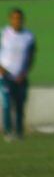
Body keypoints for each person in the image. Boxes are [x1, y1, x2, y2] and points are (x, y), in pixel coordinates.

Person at [1, 8, 35, 141]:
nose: (17, 21)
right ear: (10, 20)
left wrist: (24, 72)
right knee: (7, 105)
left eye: (19, 19)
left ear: (23, 20)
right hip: (5, 76)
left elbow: (31, 57)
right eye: (14, 18)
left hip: (21, 77)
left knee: (20, 106)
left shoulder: (29, 36)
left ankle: (19, 132)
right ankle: (8, 132)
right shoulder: (4, 34)